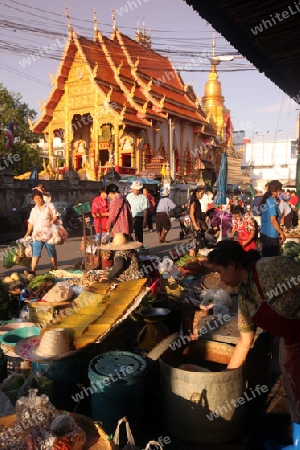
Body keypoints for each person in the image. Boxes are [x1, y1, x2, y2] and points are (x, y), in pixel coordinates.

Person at [208, 240, 300, 450]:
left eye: (220, 271)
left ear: (232, 264)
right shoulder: (246, 298)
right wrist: (225, 377)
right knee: (294, 392)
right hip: (290, 342)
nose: (220, 278)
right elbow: (244, 341)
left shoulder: (271, 268)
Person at [23, 189, 59, 273]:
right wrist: (27, 233)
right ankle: (33, 270)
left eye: (39, 198)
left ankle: (54, 266)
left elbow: (55, 216)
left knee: (51, 250)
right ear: (33, 200)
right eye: (36, 199)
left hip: (49, 234)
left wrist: (52, 221)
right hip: (37, 235)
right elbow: (31, 223)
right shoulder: (34, 210)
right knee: (36, 252)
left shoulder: (49, 206)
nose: (38, 200)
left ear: (42, 197)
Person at [260, 180, 286, 257]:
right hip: (270, 234)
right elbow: (273, 220)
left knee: (266, 257)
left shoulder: (267, 200)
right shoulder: (271, 201)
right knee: (271, 259)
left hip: (265, 232)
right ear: (278, 190)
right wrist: (281, 232)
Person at [189, 185, 207, 256]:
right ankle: (192, 260)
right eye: (201, 193)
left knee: (197, 244)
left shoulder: (197, 201)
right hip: (195, 223)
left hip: (197, 223)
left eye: (203, 194)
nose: (202, 195)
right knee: (193, 244)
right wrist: (195, 225)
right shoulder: (194, 201)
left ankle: (194, 259)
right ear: (197, 192)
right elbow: (191, 214)